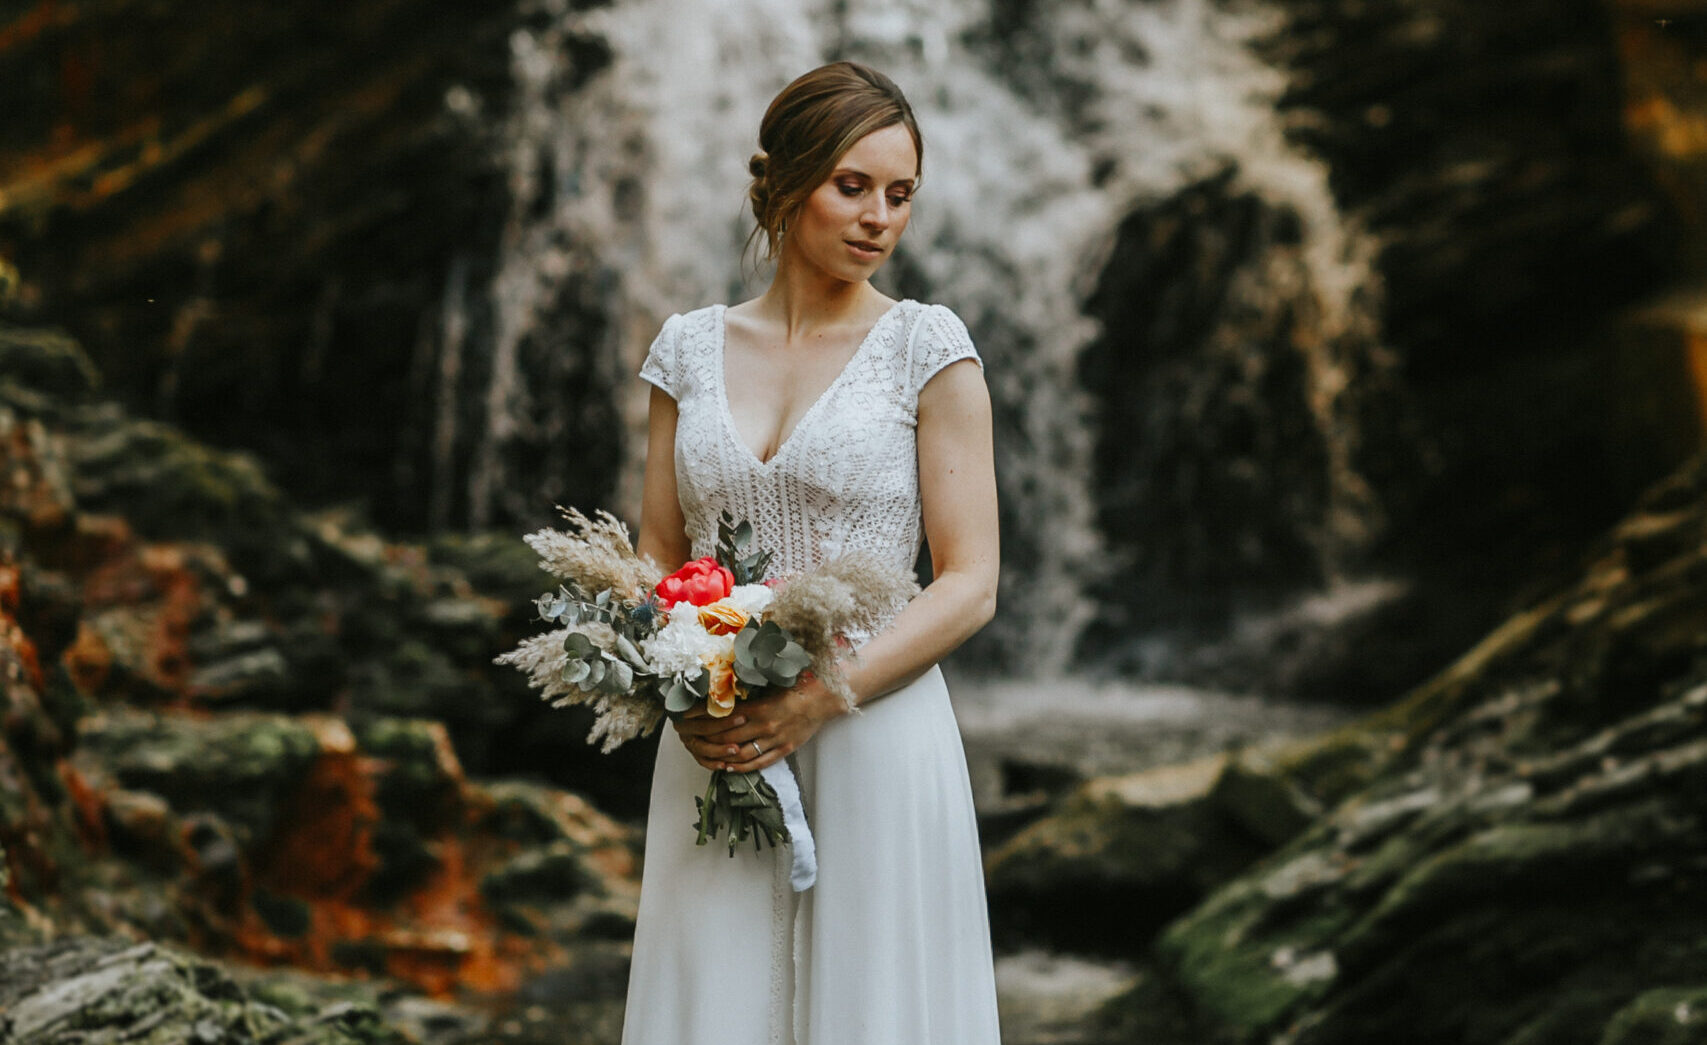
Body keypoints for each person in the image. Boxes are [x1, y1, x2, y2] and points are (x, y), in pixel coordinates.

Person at [624, 60, 1003, 1045]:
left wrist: (812, 697)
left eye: (901, 194)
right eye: (853, 186)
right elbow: (659, 552)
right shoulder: (687, 351)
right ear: (782, 182)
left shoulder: (931, 348)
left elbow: (969, 585)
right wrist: (685, 681)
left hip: (875, 729)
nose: (880, 216)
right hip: (721, 740)